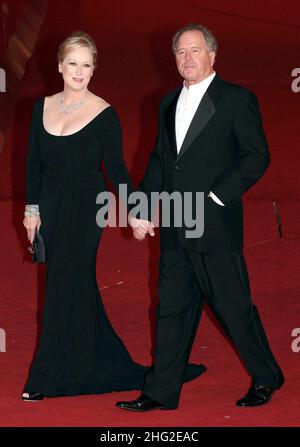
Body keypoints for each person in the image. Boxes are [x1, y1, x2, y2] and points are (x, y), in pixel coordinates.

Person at [22, 31, 205, 402]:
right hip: (52, 209)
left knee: (60, 286)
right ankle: (92, 361)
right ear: (60, 66)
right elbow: (32, 167)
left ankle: (44, 377)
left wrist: (136, 213)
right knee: (71, 285)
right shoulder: (41, 108)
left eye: (86, 65)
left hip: (88, 210)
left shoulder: (104, 114)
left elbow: (117, 171)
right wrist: (31, 209)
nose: (79, 71)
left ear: (93, 70)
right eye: (73, 63)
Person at [116, 24, 285, 412]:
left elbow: (256, 157)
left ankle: (266, 375)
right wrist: (141, 208)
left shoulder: (236, 99)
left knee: (233, 308)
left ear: (212, 55)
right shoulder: (167, 102)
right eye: (180, 52)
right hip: (176, 225)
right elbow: (161, 162)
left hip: (214, 225)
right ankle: (160, 391)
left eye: (195, 50)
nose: (187, 58)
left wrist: (216, 197)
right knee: (170, 309)